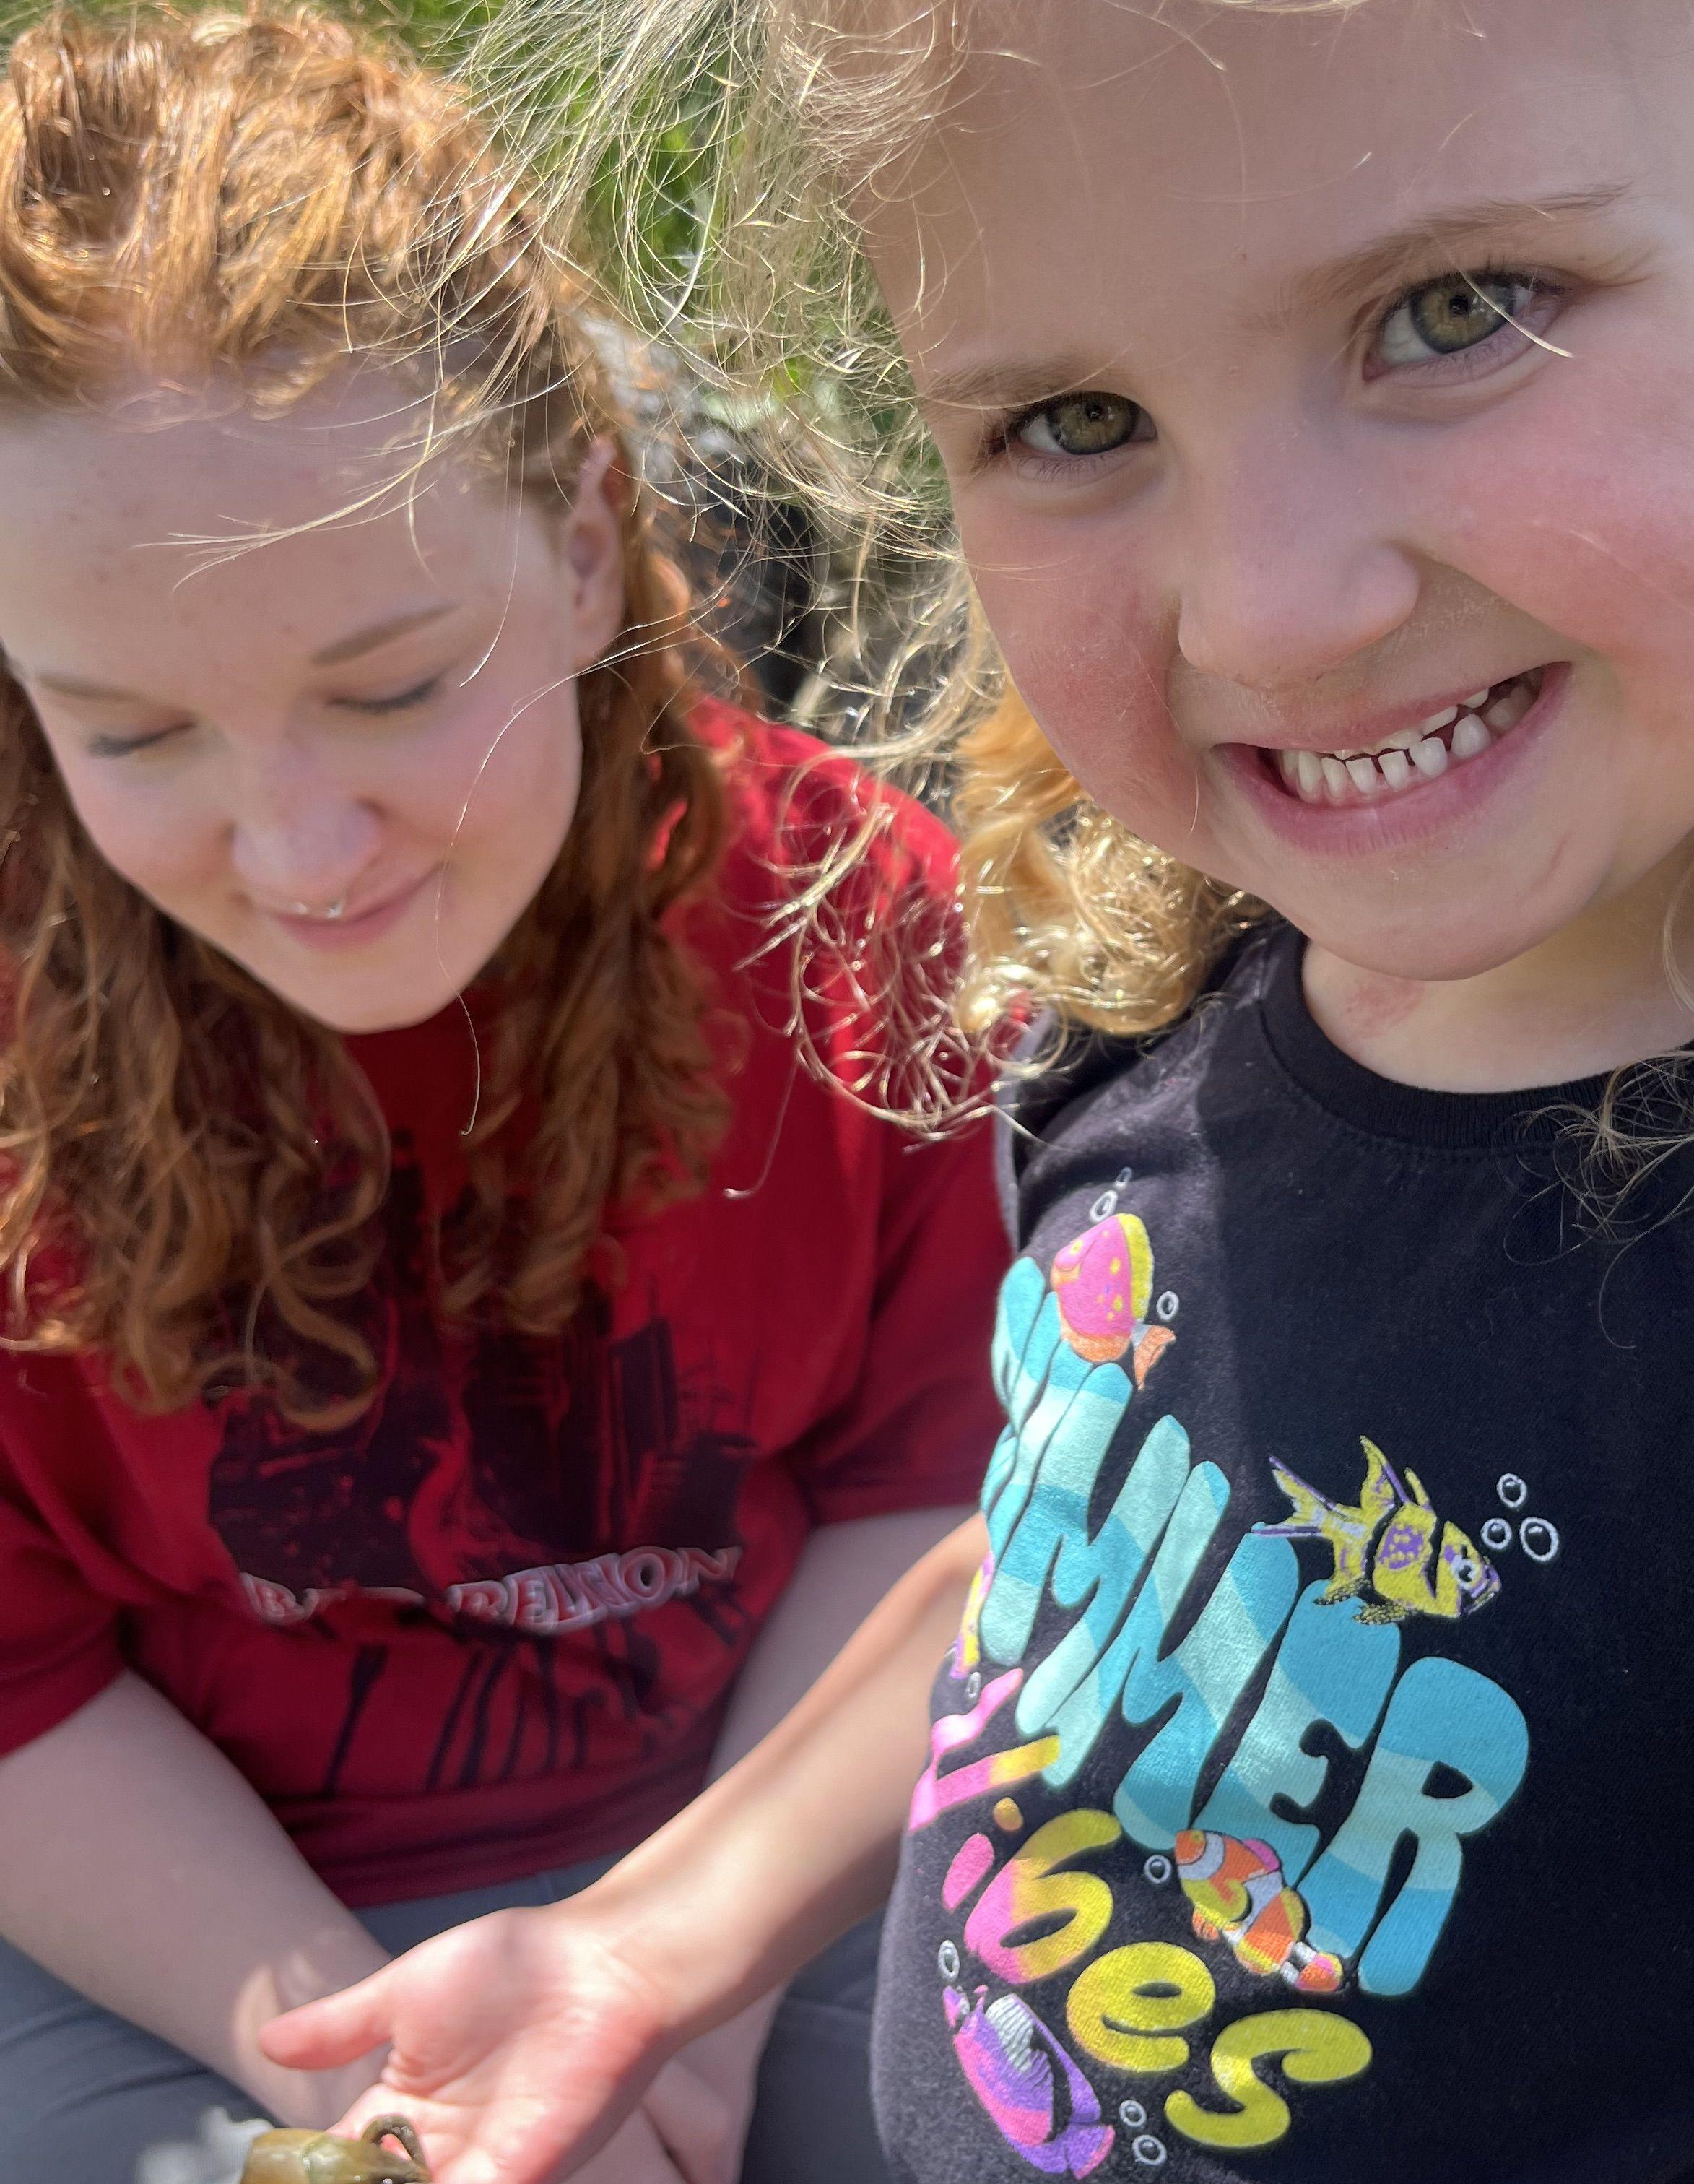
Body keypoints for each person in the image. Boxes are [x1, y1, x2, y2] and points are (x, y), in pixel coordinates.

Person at [263, 1, 1694, 2180]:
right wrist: (645, 1940)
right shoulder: (1176, 978)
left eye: (1458, 312)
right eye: (1074, 418)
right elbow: (1084, 1569)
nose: (1271, 616)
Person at [0, 9, 1011, 2182]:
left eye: (390, 687)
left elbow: (940, 1496)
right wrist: (367, 2097)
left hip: (783, 1843)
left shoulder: (852, 922)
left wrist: (676, 1999)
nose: (299, 849)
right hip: (178, 1937)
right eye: (136, 735)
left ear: (582, 544)